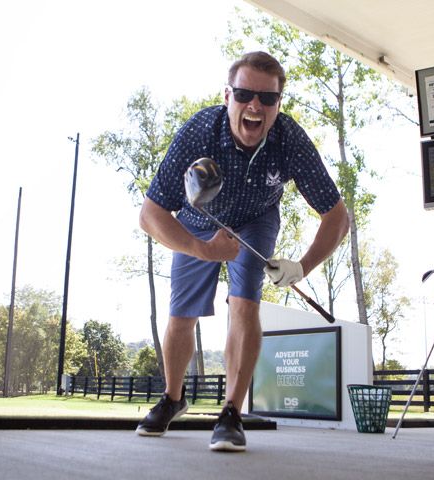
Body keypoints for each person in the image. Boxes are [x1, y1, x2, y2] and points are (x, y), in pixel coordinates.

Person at [135, 51, 349, 452]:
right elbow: (150, 215)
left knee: (244, 305)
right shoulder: (200, 131)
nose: (255, 106)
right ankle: (173, 397)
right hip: (198, 223)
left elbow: (338, 217)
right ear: (228, 96)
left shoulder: (289, 140)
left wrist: (301, 267)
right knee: (182, 316)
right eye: (245, 94)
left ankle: (231, 411)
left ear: (278, 104)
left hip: (256, 218)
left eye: (267, 99)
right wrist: (203, 248)